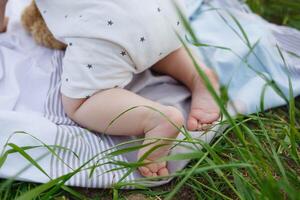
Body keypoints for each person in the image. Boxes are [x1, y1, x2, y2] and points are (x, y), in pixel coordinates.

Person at [1, 0, 220, 177]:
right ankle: (198, 76)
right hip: (167, 12)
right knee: (158, 44)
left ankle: (156, 119)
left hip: (111, 28)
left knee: (80, 102)